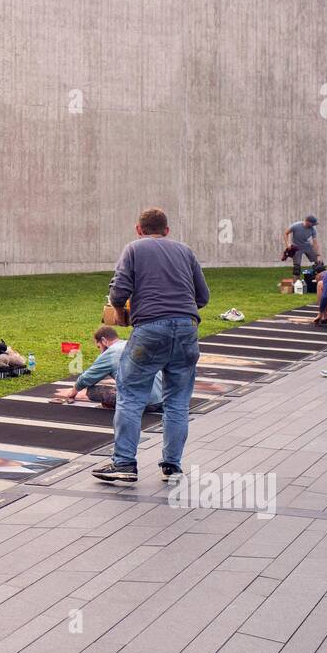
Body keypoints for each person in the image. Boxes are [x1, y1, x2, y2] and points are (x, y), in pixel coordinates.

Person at [94, 208, 209, 485]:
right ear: (167, 230)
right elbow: (202, 297)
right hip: (186, 330)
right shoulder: (185, 251)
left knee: (131, 397)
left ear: (138, 229)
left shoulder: (133, 249)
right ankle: (172, 465)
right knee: (178, 403)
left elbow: (119, 292)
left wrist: (121, 312)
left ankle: (123, 463)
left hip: (149, 330)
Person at [53, 325, 163, 411]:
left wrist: (73, 392)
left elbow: (87, 378)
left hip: (143, 403)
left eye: (99, 347)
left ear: (104, 341)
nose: (100, 351)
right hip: (162, 399)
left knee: (92, 391)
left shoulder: (110, 353)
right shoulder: (131, 344)